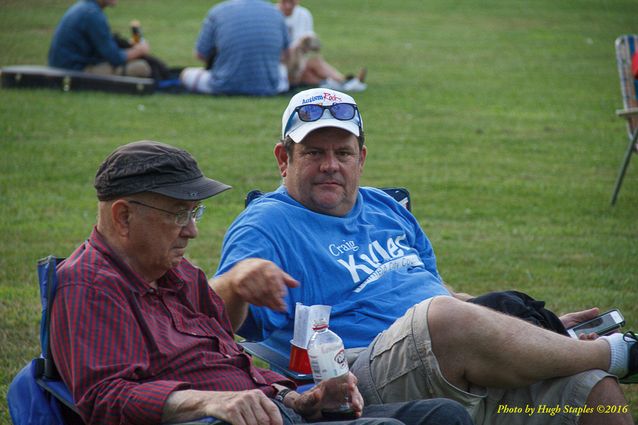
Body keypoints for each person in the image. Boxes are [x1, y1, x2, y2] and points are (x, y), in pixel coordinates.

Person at [214, 88, 638, 425]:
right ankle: (616, 353)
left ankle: (585, 356)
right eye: (313, 153)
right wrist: (234, 285)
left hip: (451, 362)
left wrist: (523, 335)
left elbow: (439, 292)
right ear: (282, 159)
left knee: (591, 390)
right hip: (359, 374)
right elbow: (215, 323)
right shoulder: (265, 226)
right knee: (443, 319)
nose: (330, 165)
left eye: (342, 153)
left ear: (360, 159)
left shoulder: (386, 208)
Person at [49, 140, 473, 425]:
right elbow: (104, 396)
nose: (191, 232)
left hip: (275, 410)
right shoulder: (89, 285)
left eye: (194, 214)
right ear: (123, 216)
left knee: (443, 415)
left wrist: (297, 396)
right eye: (180, 213)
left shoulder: (177, 273)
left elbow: (230, 353)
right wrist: (208, 401)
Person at [180, 0, 290, 96]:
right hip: (269, 85)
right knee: (282, 71)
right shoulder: (276, 13)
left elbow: (200, 54)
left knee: (185, 75)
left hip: (224, 84)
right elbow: (286, 54)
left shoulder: (218, 11)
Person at [277, 0, 367, 92]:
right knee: (311, 65)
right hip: (282, 63)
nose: (288, 6)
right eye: (284, 2)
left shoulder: (303, 14)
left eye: (291, 3)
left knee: (311, 65)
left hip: (298, 60)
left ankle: (342, 84)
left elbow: (308, 40)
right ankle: (345, 82)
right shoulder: (274, 14)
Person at [48, 0, 152, 77]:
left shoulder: (84, 7)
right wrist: (139, 51)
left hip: (62, 65)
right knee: (142, 67)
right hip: (74, 71)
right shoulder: (93, 15)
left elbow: (103, 46)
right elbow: (115, 58)